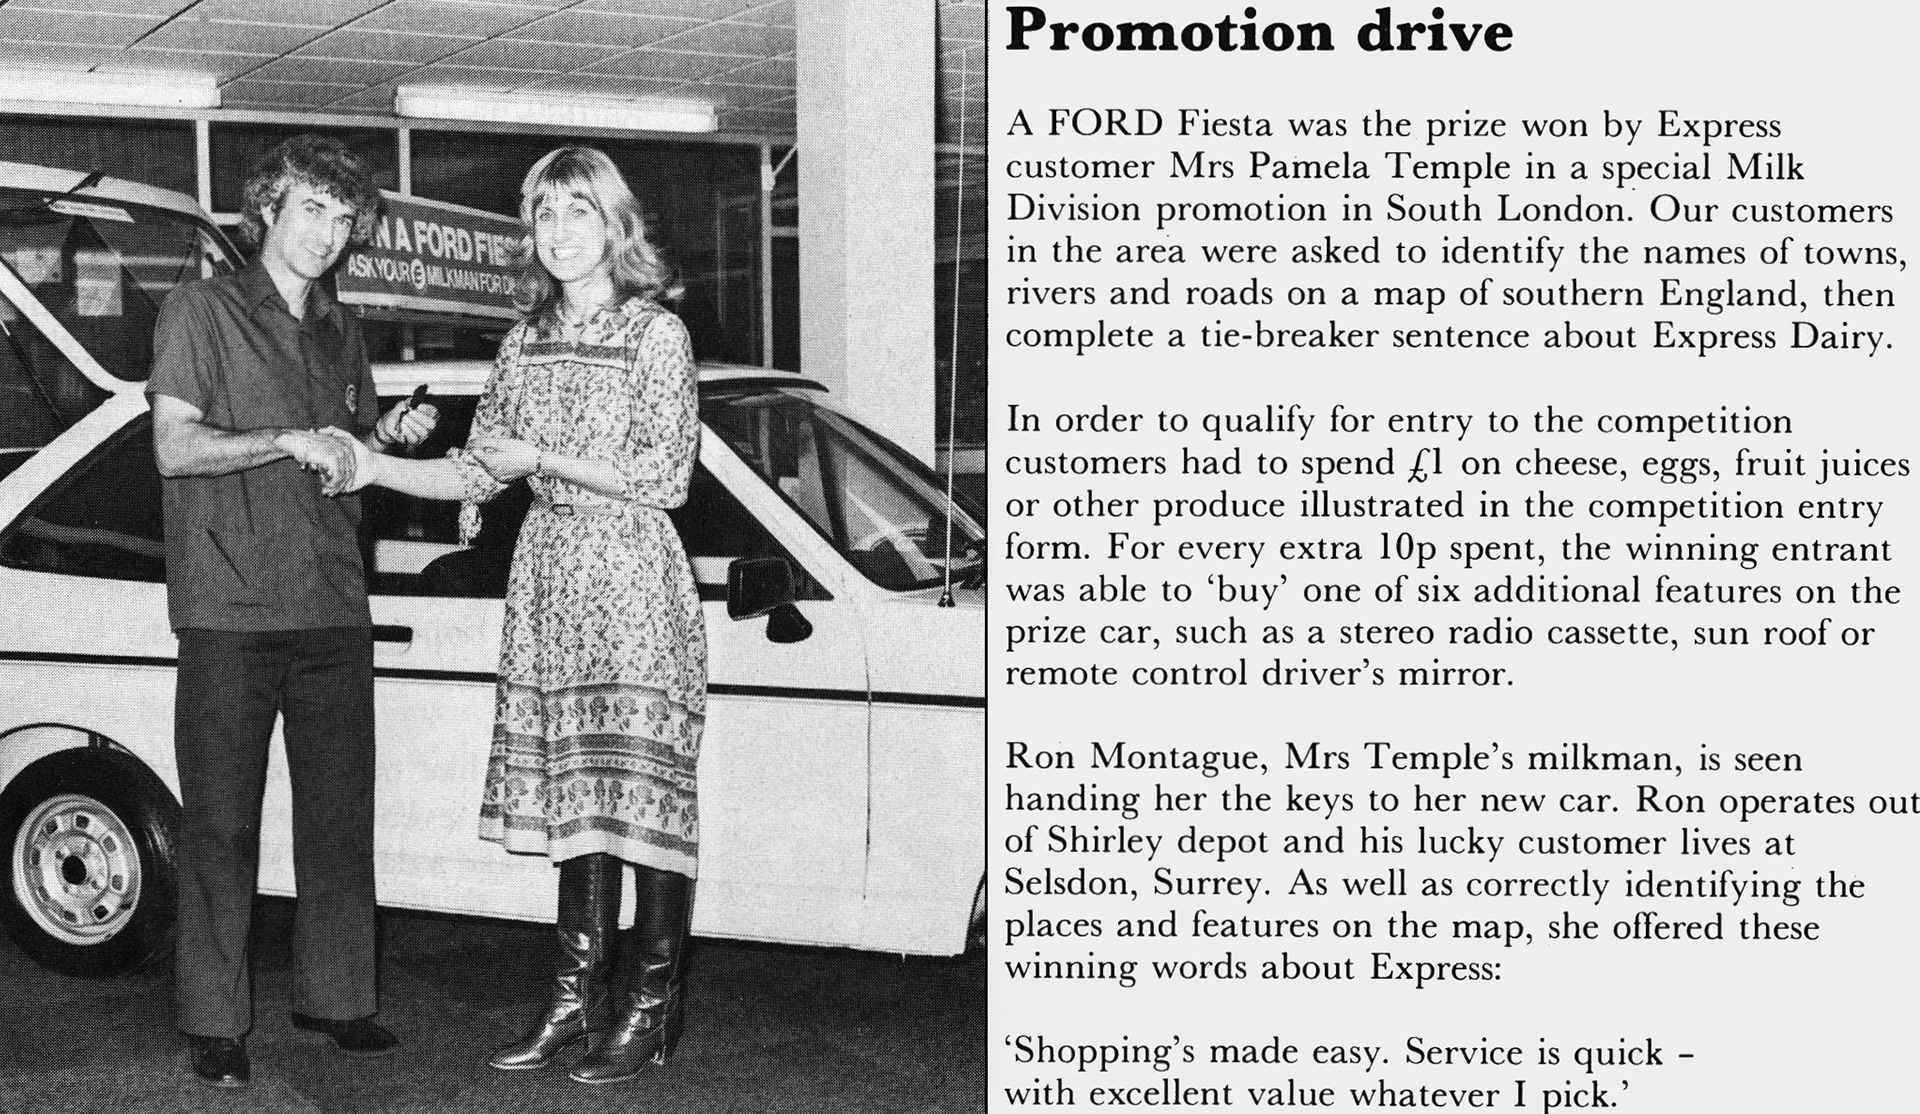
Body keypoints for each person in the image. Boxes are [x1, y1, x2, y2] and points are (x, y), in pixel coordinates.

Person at [342, 146, 707, 1086]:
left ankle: (651, 1008)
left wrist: (538, 454)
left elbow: (664, 478)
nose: (559, 233)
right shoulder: (521, 342)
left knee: (644, 796)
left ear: (614, 226)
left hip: (628, 572)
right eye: (544, 216)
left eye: (578, 213)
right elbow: (477, 468)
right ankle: (573, 999)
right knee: (578, 798)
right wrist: (371, 465)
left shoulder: (655, 335)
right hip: (546, 577)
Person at [149, 134, 438, 1089]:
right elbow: (176, 449)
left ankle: (339, 998)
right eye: (313, 208)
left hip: (330, 602)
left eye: (345, 217)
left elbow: (343, 446)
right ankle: (215, 1022)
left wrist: (382, 435)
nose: (330, 232)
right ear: (268, 207)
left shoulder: (339, 327)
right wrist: (285, 438)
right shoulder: (201, 308)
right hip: (230, 604)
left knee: (337, 819)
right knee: (223, 828)